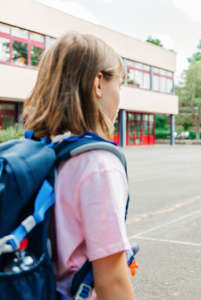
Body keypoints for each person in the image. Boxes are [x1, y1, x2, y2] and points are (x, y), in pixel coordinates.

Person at [22, 32, 134, 300]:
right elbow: (113, 281)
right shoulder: (98, 165)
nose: (119, 97)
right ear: (98, 83)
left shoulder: (35, 149)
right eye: (118, 84)